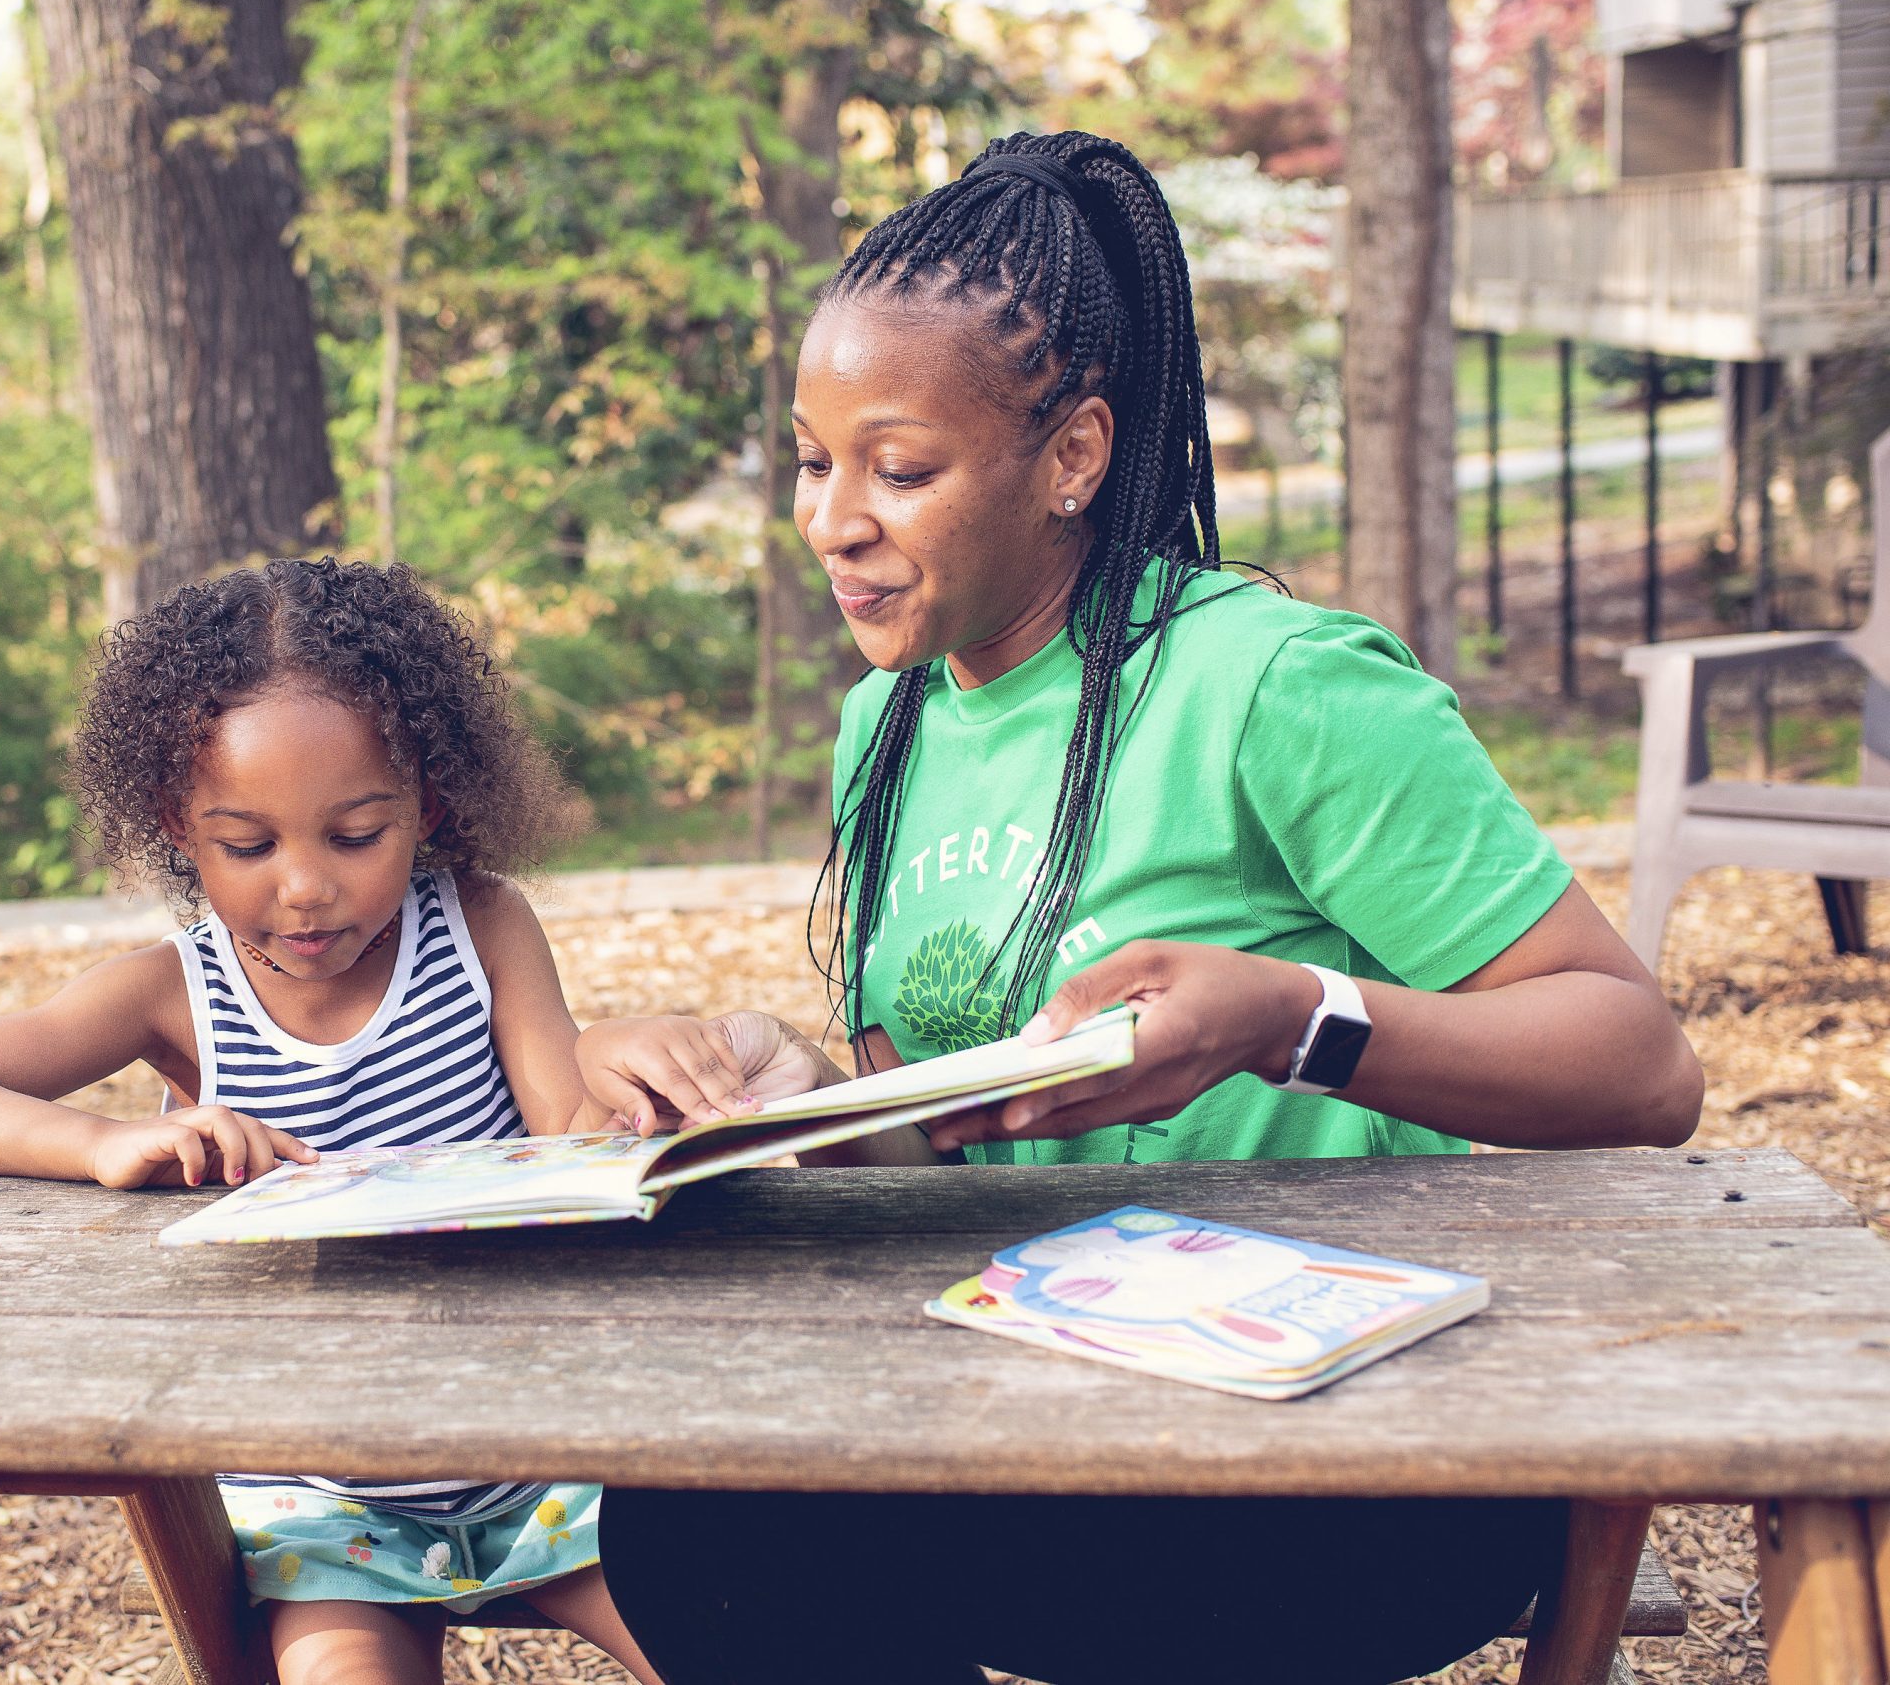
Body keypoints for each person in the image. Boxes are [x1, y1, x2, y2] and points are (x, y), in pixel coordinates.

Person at [575, 130, 1704, 1685]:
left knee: (766, 1541)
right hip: (1043, 1389)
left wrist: (1281, 1020)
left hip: (1361, 1452)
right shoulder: (887, 722)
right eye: (811, 458)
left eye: (898, 469)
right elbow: (957, 1138)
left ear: (1074, 457)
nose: (831, 518)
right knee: (695, 1524)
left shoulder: (1276, 686)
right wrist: (794, 1101)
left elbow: (1641, 1066)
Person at [0, 558, 661, 1685]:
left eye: (354, 833)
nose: (303, 887)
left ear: (426, 801)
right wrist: (98, 1143)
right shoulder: (171, 994)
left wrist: (631, 1089)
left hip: (543, 1451)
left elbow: (570, 1130)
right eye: (249, 844)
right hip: (323, 1504)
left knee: (742, 1643)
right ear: (176, 824)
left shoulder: (481, 925)